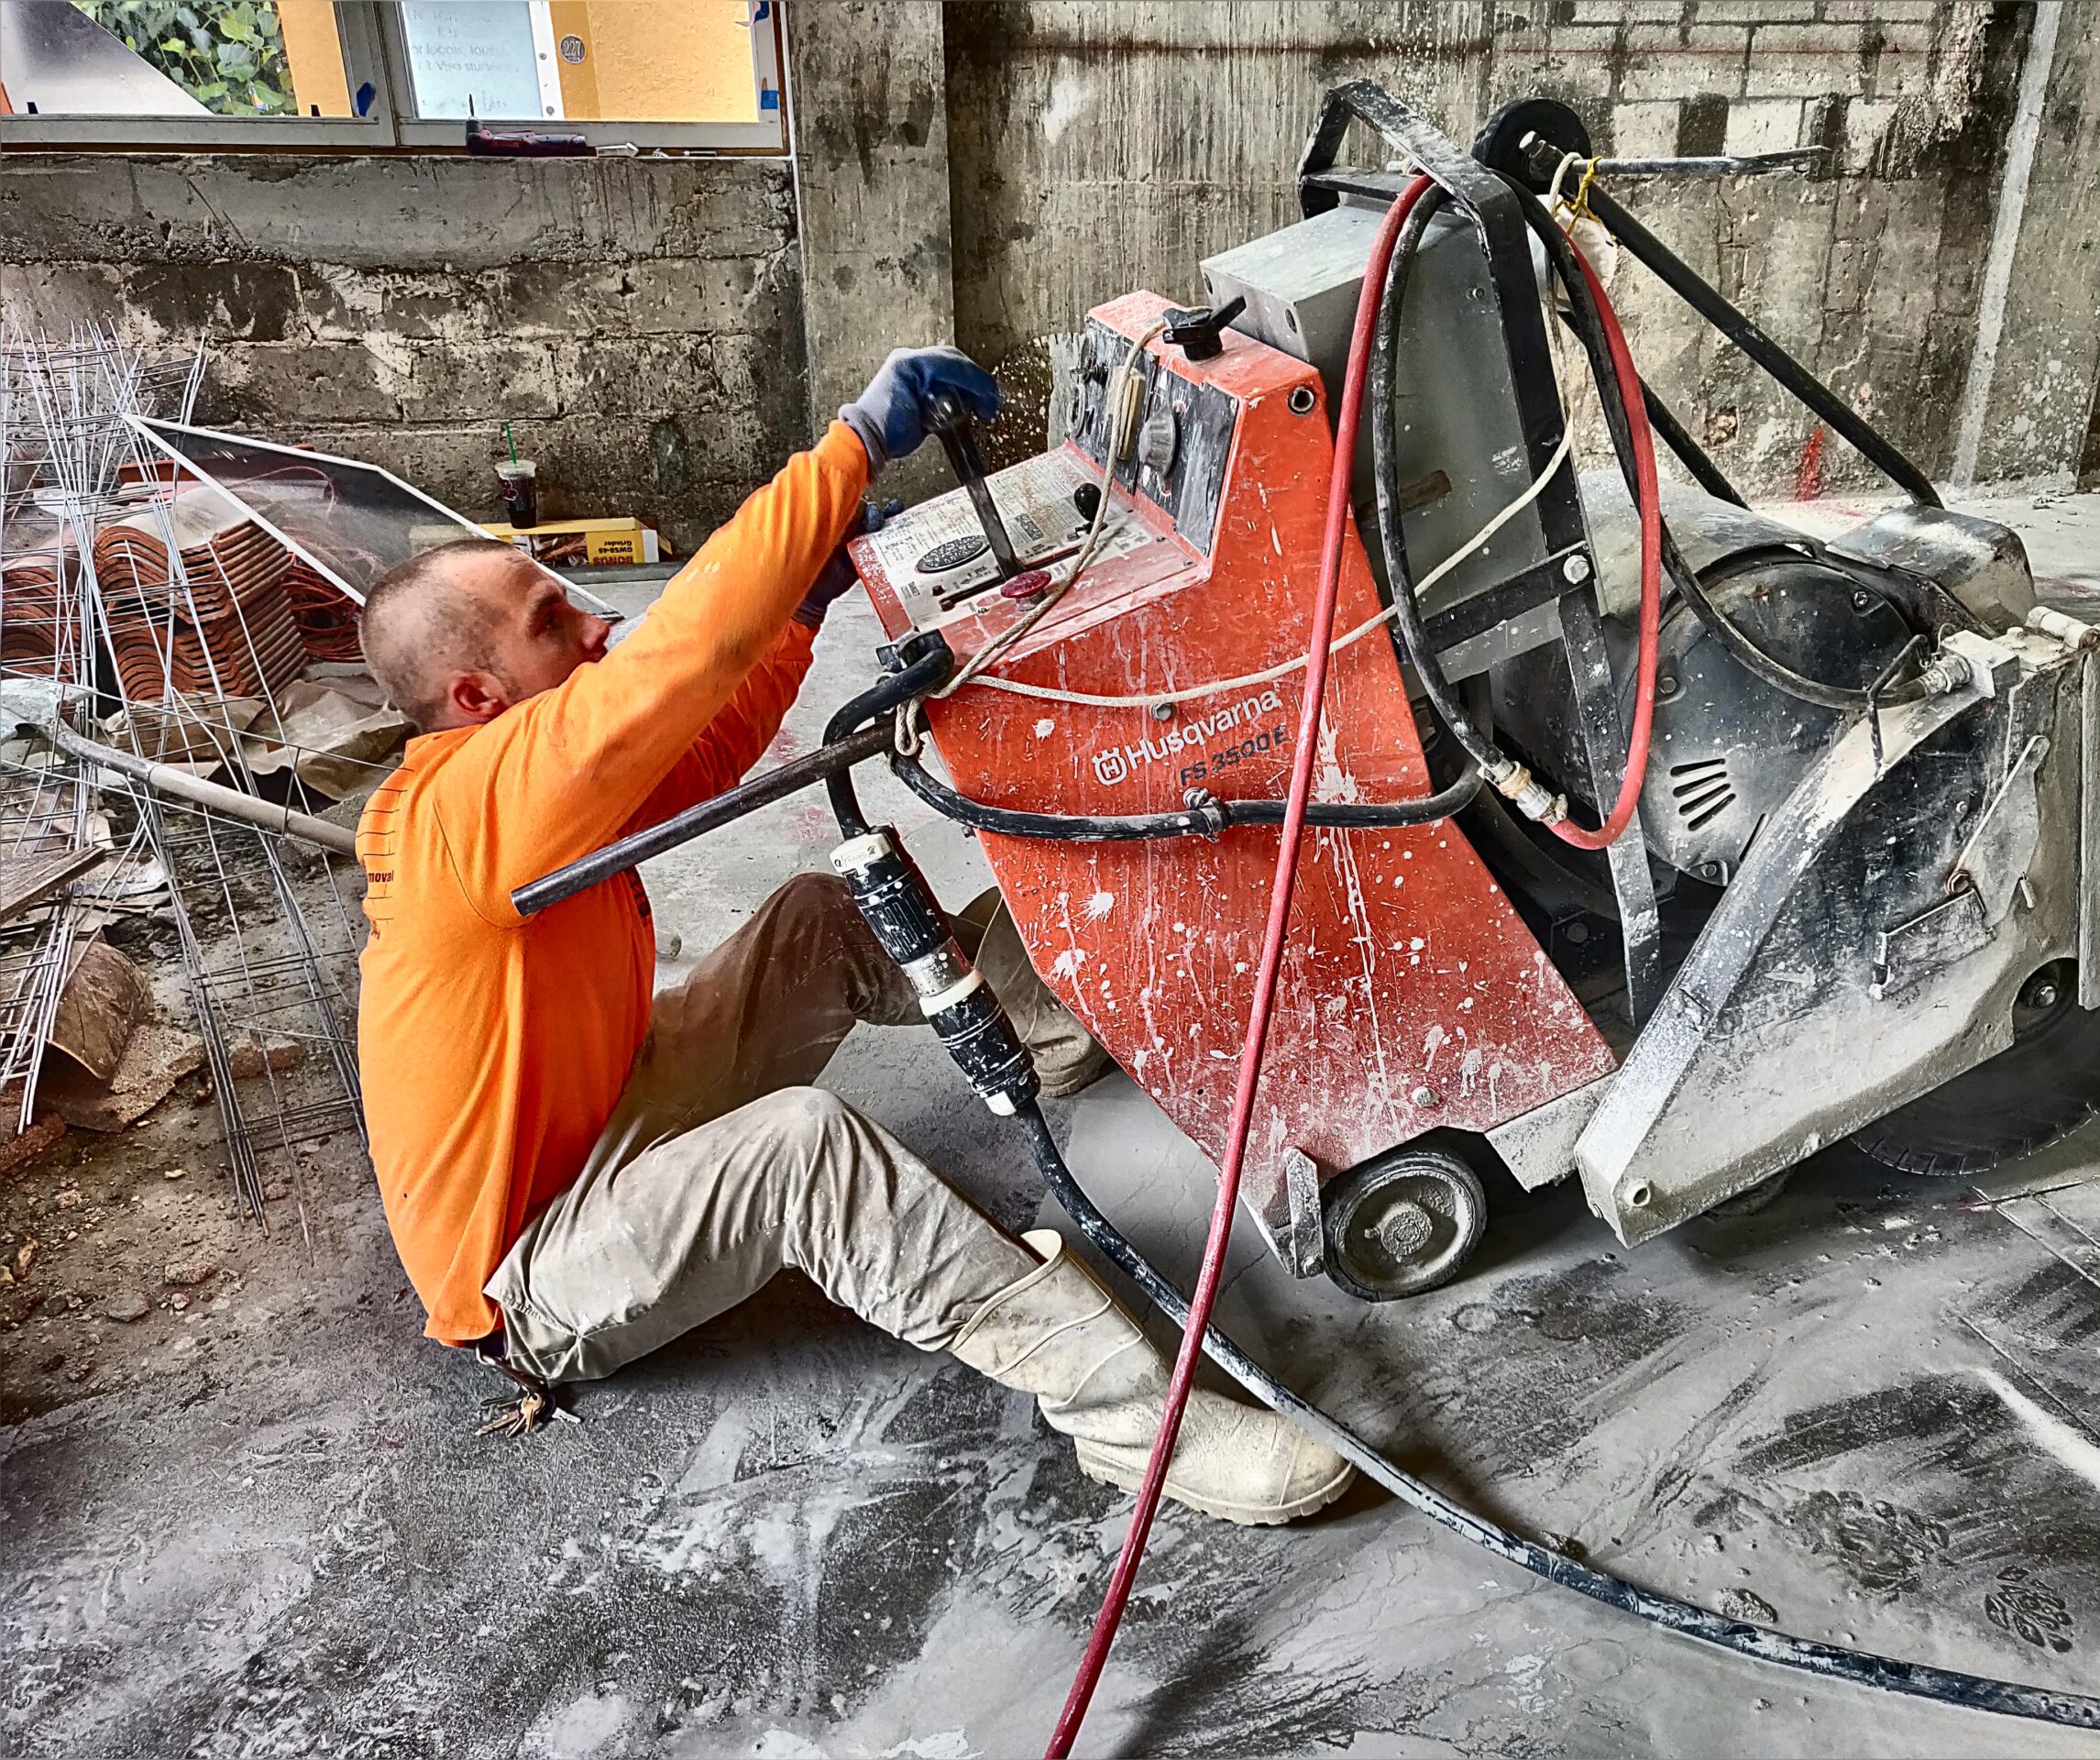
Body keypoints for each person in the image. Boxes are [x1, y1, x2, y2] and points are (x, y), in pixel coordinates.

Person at [352, 347, 1352, 1527]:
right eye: (549, 617)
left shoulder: (506, 794)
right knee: (800, 1151)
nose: (593, 620)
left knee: (820, 918)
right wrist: (851, 446)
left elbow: (700, 754)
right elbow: (674, 664)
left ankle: (1061, 1023)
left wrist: (804, 607)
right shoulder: (457, 820)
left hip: (607, 1117)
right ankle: (1138, 1428)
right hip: (534, 1272)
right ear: (475, 695)